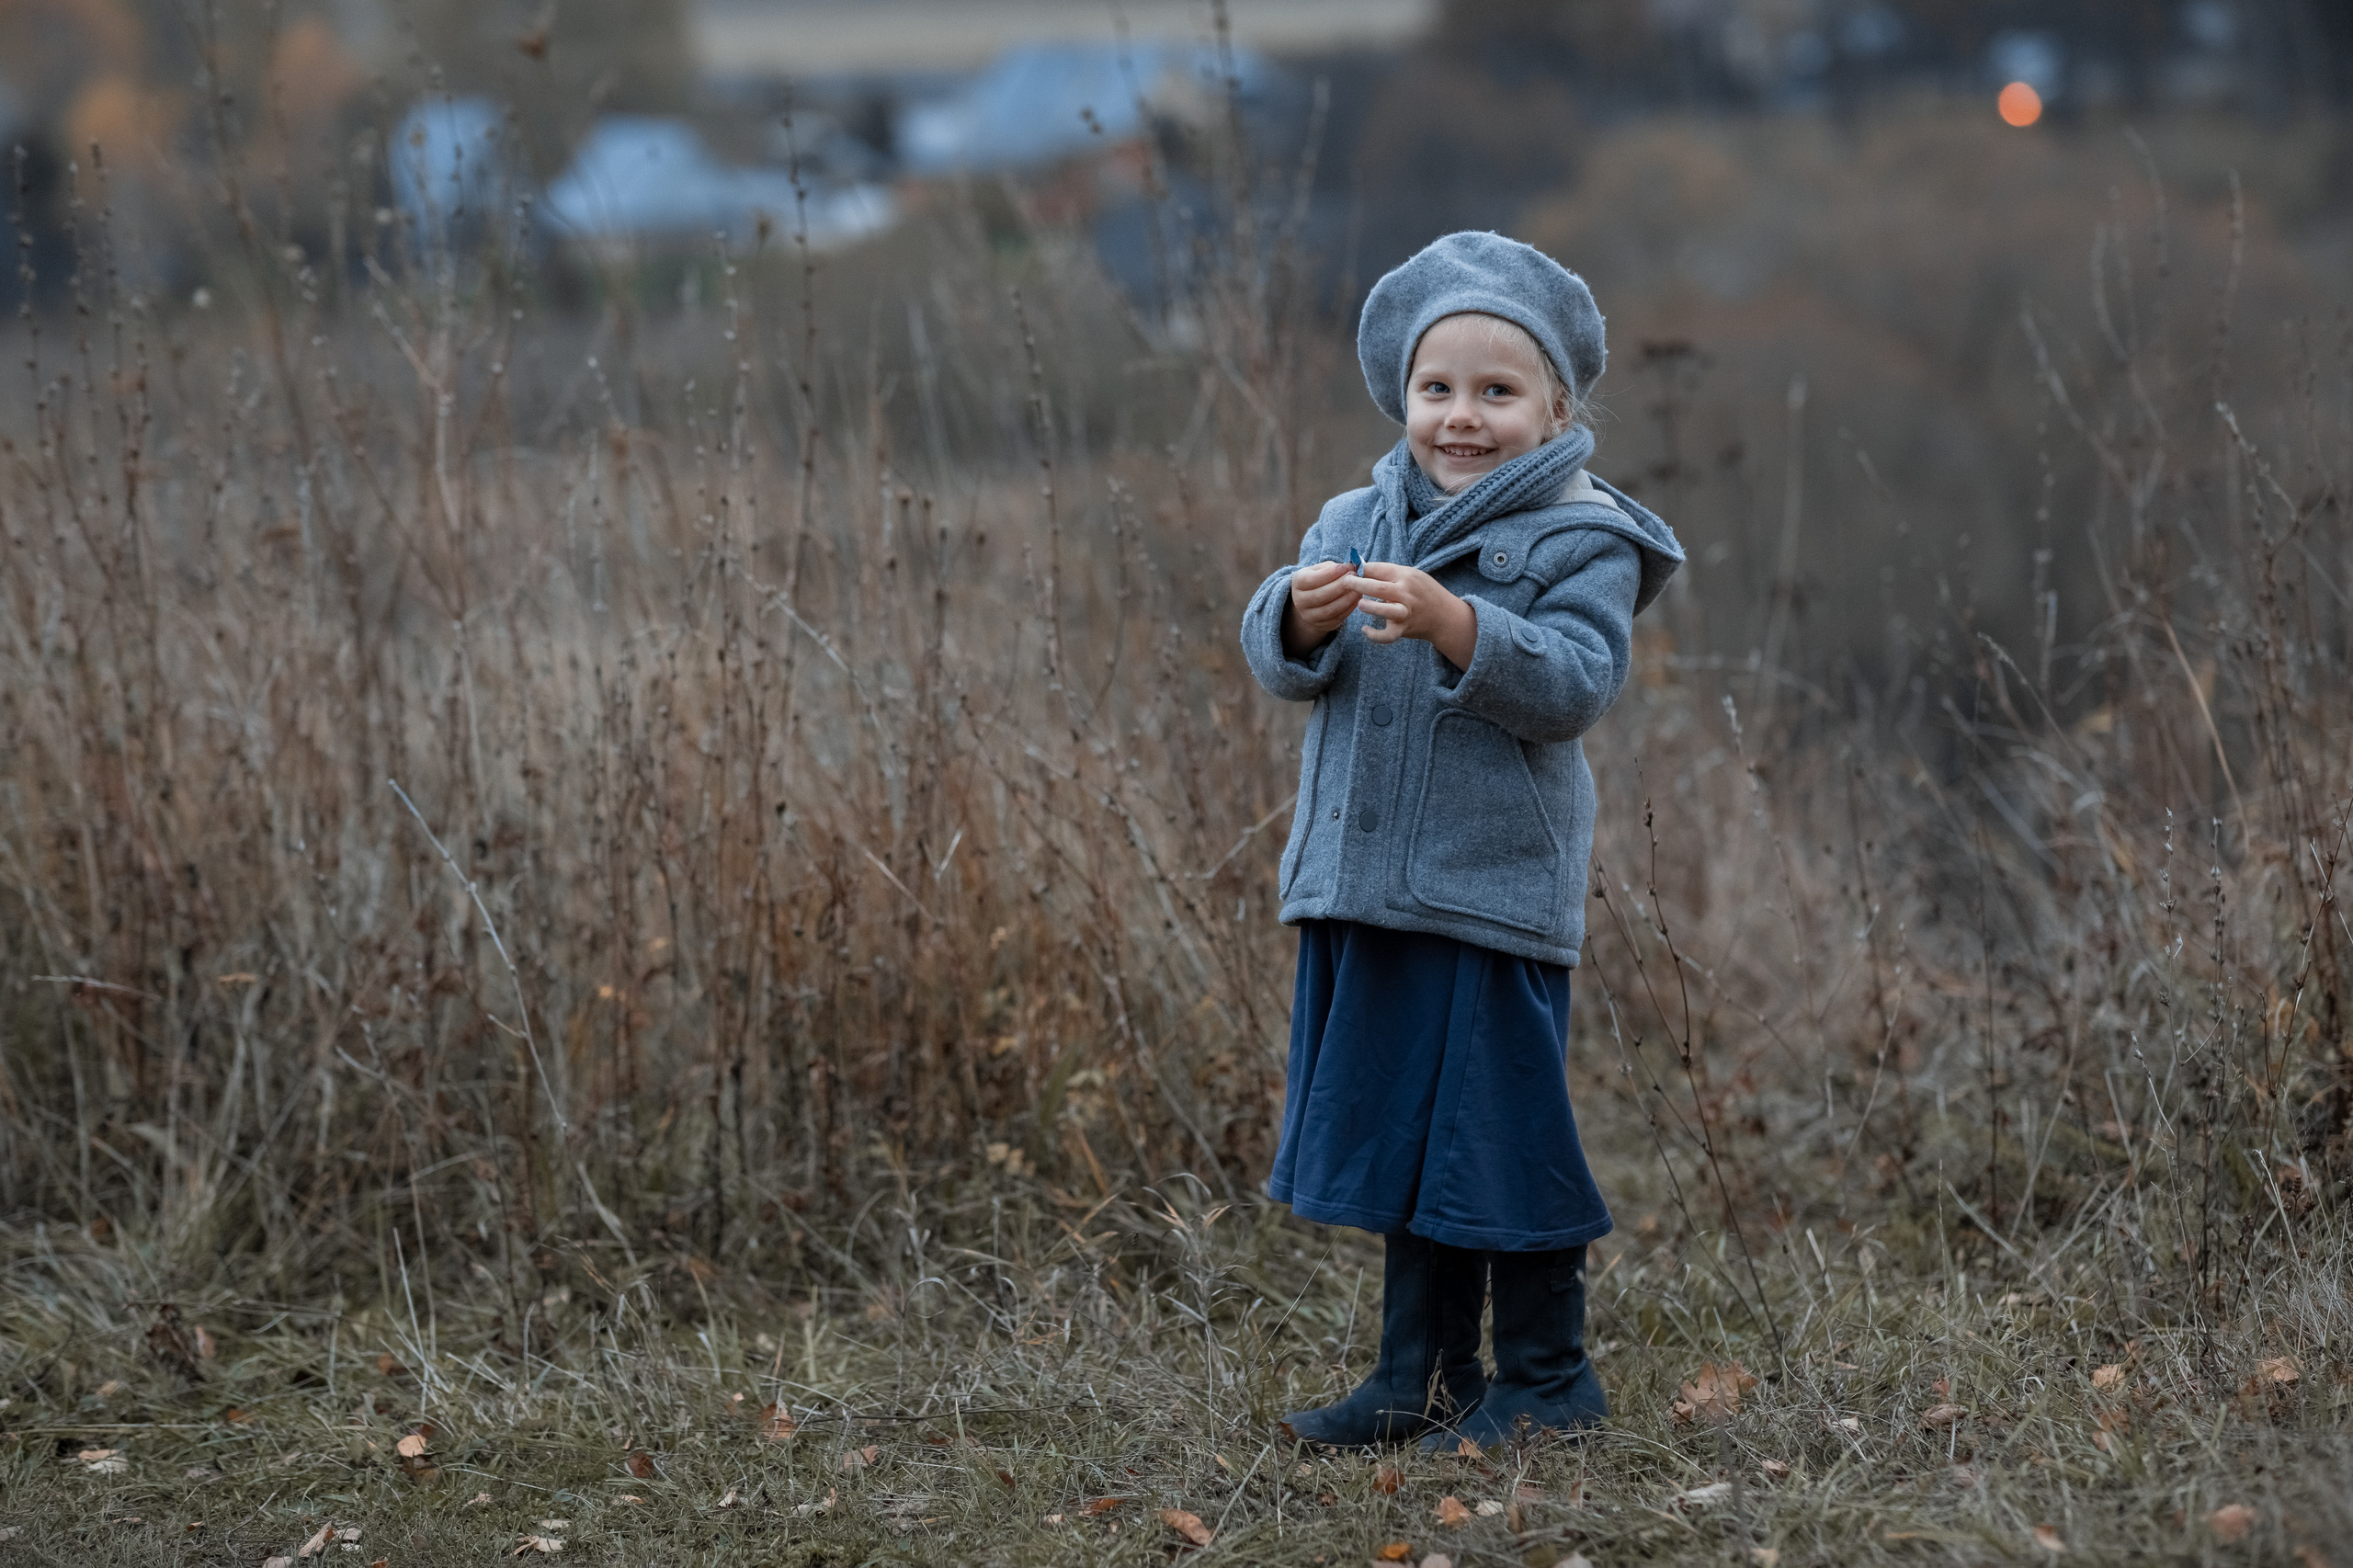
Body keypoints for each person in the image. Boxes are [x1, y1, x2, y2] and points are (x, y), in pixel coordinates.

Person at [1236, 232, 1682, 1450]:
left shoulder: (1583, 535)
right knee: (1408, 1132)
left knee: (1498, 1129)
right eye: (1438, 388)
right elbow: (1283, 663)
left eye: (1498, 391)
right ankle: (1419, 1375)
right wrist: (1292, 614)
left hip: (1489, 892)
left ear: (1556, 408)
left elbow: (1578, 682)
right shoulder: (1354, 516)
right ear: (1404, 396)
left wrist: (1458, 624)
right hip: (1367, 882)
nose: (1463, 417)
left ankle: (1548, 1381)